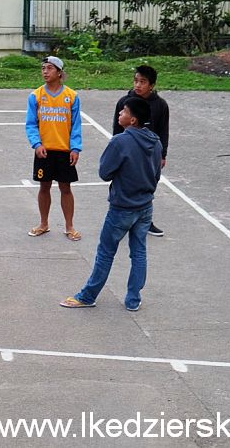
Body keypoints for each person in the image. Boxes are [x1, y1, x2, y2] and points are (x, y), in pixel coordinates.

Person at [61, 96, 162, 311]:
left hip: (122, 207)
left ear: (133, 120)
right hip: (145, 206)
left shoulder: (120, 141)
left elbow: (104, 172)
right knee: (139, 252)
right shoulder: (155, 140)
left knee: (106, 252)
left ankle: (88, 295)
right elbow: (156, 174)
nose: (120, 114)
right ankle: (133, 299)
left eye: (124, 111)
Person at [26, 56, 83, 240]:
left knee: (65, 188)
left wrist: (75, 148)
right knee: (44, 186)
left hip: (64, 151)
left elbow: (76, 125)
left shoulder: (72, 96)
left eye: (49, 68)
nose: (45, 71)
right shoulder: (36, 96)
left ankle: (70, 226)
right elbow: (31, 124)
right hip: (45, 151)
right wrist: (37, 144)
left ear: (59, 72)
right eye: (43, 68)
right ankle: (43, 223)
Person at [113, 64, 169, 237]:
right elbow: (117, 129)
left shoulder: (160, 105)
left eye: (142, 82)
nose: (138, 85)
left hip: (149, 155)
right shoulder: (124, 102)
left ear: (151, 85)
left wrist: (162, 154)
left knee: (147, 188)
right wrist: (115, 152)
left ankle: (146, 221)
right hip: (128, 155)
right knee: (122, 187)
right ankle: (119, 222)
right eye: (136, 81)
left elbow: (163, 130)